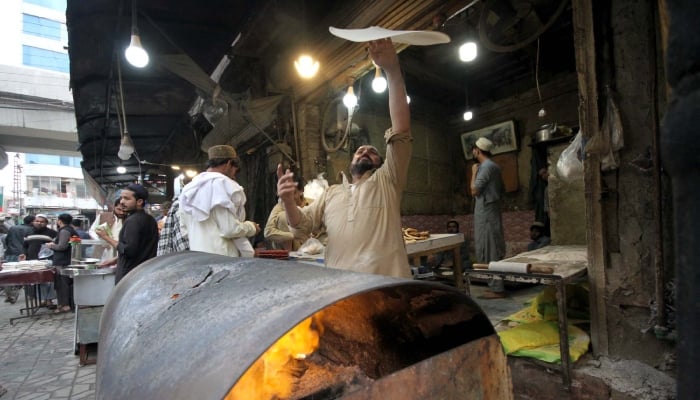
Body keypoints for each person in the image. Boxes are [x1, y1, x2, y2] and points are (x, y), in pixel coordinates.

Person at [276, 38, 412, 278]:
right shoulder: (331, 193)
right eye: (360, 151)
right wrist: (288, 201)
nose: (365, 152)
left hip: (385, 286)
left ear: (381, 163)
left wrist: (391, 69)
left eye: (372, 152)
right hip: (341, 289)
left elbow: (400, 129)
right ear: (350, 164)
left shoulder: (387, 181)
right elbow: (301, 226)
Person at [179, 145, 260, 257]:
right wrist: (251, 227)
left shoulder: (187, 190)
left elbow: (184, 231)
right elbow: (230, 229)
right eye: (235, 169)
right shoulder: (222, 185)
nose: (234, 174)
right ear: (229, 164)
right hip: (224, 261)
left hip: (198, 260)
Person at [470, 137, 507, 299]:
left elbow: (475, 191)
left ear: (477, 150)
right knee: (490, 246)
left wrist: (473, 173)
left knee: (489, 247)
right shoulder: (495, 167)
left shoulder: (485, 167)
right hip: (490, 210)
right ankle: (495, 286)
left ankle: (498, 289)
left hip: (486, 211)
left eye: (473, 150)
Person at [110, 184, 159, 283]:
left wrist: (106, 237)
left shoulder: (133, 221)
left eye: (126, 198)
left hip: (129, 276)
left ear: (139, 201)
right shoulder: (150, 219)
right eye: (121, 198)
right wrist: (115, 259)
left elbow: (129, 250)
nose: (122, 201)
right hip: (145, 274)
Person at [265, 174, 308, 251]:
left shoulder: (312, 204)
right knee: (283, 216)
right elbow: (268, 232)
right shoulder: (280, 206)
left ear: (301, 191)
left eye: (293, 193)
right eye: (286, 193)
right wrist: (293, 235)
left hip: (311, 247)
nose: (289, 197)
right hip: (290, 249)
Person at [46, 214, 79, 313]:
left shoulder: (65, 231)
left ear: (59, 221)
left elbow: (62, 247)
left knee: (62, 283)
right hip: (67, 260)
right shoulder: (71, 230)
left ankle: (65, 305)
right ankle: (65, 304)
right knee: (64, 283)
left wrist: (51, 245)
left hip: (63, 261)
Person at [2, 217, 33, 304]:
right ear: (31, 222)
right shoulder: (31, 229)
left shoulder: (13, 228)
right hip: (22, 254)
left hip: (10, 252)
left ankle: (8, 294)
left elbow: (7, 240)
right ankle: (25, 294)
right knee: (23, 274)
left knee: (8, 274)